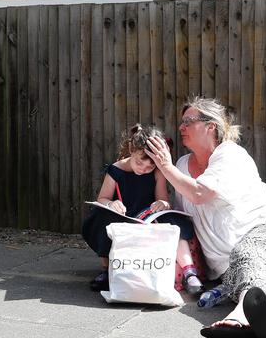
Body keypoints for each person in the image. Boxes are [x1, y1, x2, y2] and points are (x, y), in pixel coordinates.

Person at [145, 97, 266, 338]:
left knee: (246, 253)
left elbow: (200, 193)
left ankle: (265, 317)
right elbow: (181, 217)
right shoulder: (181, 165)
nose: (181, 127)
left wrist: (165, 167)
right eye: (181, 122)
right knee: (241, 266)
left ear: (211, 126)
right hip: (227, 269)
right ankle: (253, 318)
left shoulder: (230, 154)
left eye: (189, 121)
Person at [82, 124, 203, 294]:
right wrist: (111, 204)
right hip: (123, 217)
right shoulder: (116, 170)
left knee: (175, 221)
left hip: (148, 217)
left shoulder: (157, 172)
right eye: (139, 163)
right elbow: (102, 198)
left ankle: (189, 272)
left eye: (150, 167)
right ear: (132, 149)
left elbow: (163, 200)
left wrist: (162, 204)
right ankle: (107, 269)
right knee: (101, 216)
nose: (143, 169)